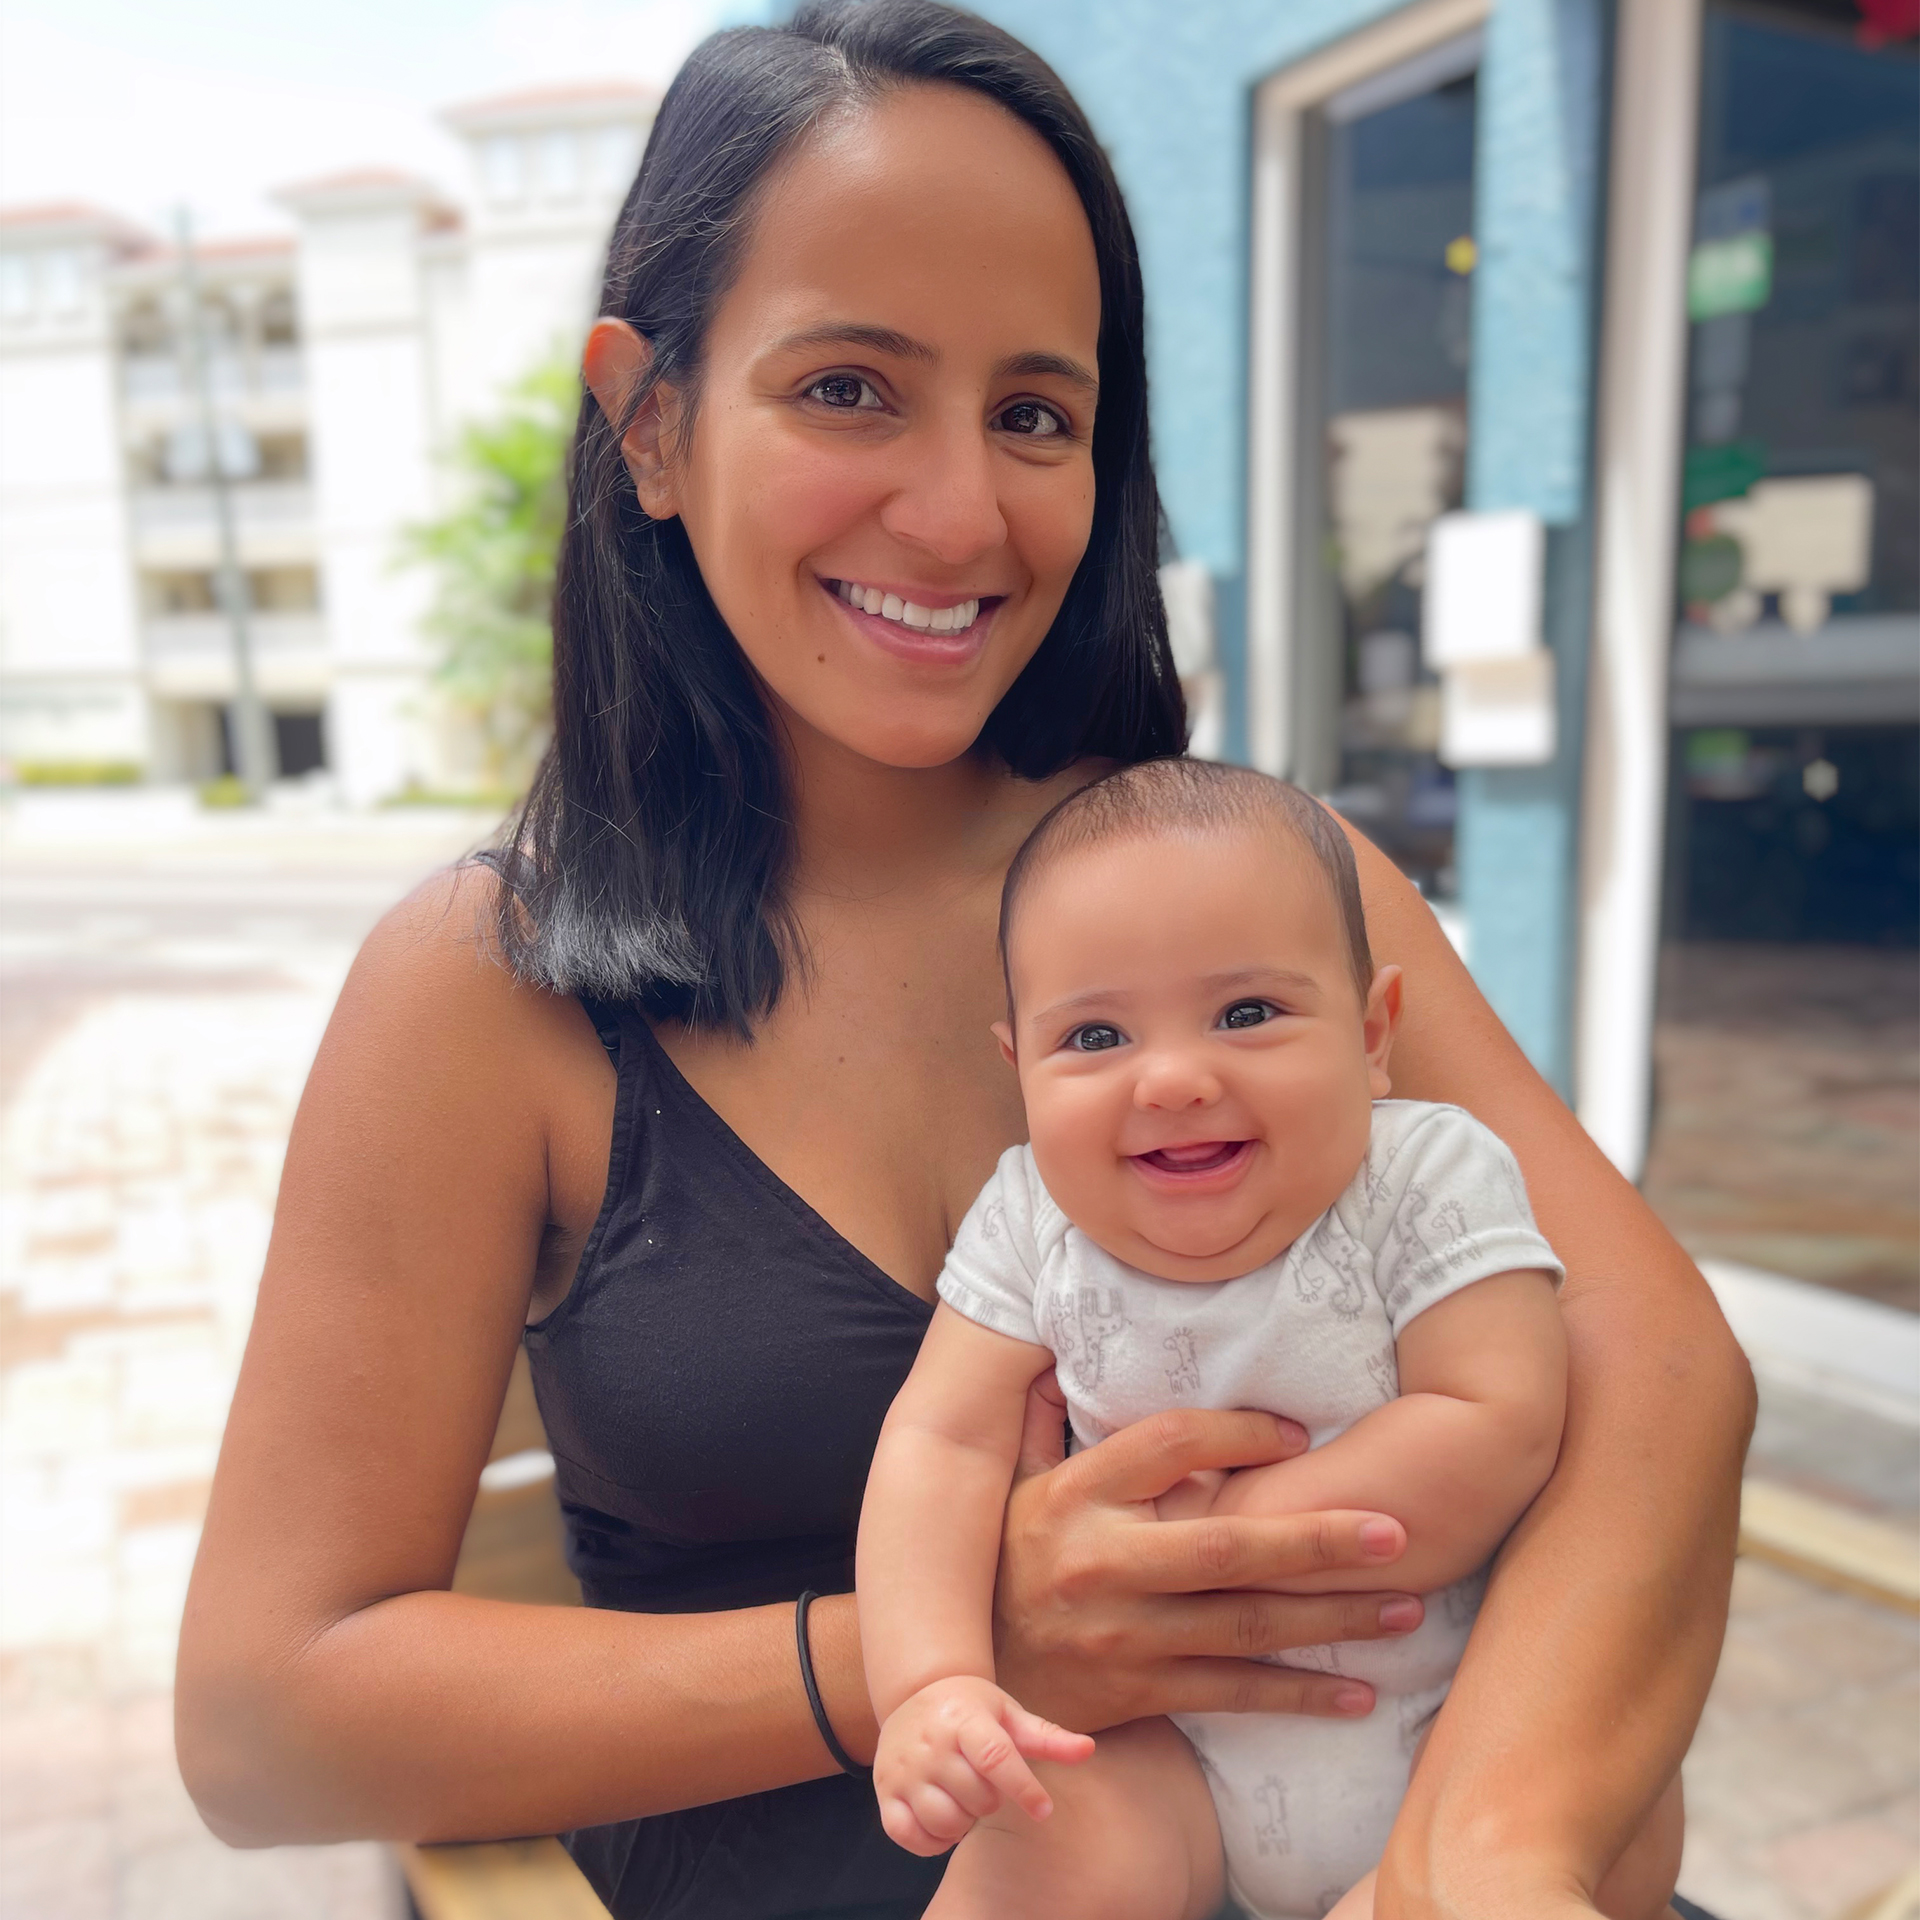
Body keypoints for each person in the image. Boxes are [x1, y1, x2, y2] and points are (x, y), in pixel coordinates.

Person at [173, 6, 1753, 1919]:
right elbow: (267, 1722)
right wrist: (930, 1648)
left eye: (1035, 413)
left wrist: (1472, 1855)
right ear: (651, 421)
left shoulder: (1257, 886)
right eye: (848, 387)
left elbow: (1658, 1368)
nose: (957, 509)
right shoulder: (488, 990)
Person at [858, 759, 1679, 1920]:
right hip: (1174, 1754)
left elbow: (1495, 1425)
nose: (1177, 1078)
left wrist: (1204, 1544)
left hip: (1459, 1738)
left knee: (1530, 1858)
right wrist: (930, 1681)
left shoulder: (1424, 1174)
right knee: (1038, 1831)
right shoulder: (1028, 1214)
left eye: (1248, 1014)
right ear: (1018, 1072)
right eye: (1094, 1035)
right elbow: (937, 1443)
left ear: (1374, 1031)